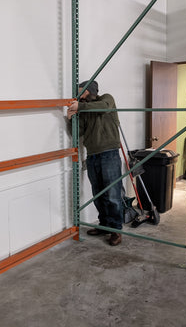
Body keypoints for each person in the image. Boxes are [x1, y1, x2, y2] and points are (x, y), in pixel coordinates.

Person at [67, 80, 124, 246]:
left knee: (112, 194)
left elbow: (103, 107)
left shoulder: (107, 99)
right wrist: (71, 119)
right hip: (92, 156)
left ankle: (116, 230)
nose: (80, 96)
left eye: (82, 92)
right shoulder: (84, 110)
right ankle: (104, 225)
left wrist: (79, 107)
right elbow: (77, 133)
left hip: (109, 154)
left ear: (91, 91)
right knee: (98, 193)